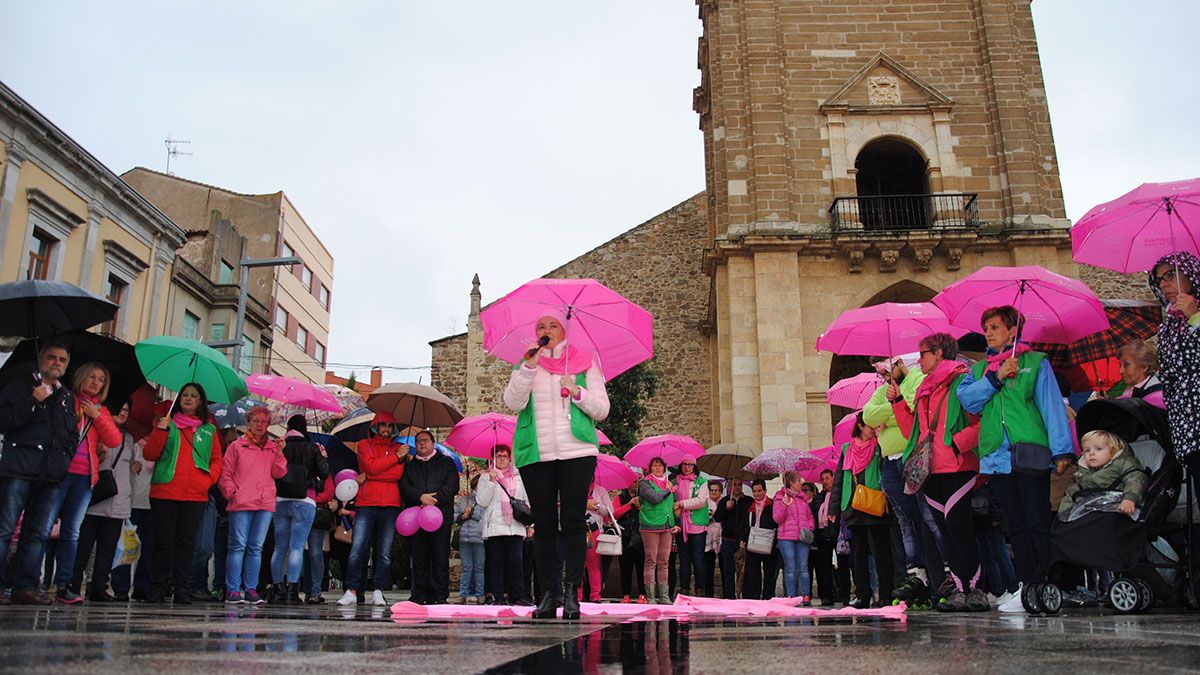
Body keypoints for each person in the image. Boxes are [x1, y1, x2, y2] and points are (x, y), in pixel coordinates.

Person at [957, 305, 1074, 613]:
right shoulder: (980, 370)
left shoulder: (1035, 363)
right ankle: (1026, 584)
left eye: (994, 327)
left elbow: (1051, 406)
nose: (988, 333)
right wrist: (996, 377)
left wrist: (1062, 450)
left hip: (1030, 450)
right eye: (986, 328)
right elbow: (967, 399)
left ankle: (1043, 581)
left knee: (1037, 519)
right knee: (1016, 524)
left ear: (1012, 330)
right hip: (997, 456)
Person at [503, 311, 610, 620]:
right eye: (540, 326)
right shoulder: (527, 363)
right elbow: (513, 402)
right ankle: (548, 594)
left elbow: (602, 409)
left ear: (564, 331)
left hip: (577, 451)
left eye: (552, 325)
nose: (545, 330)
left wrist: (577, 391)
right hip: (536, 453)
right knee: (545, 525)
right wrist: (527, 370)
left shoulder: (585, 361)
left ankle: (572, 593)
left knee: (575, 521)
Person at [891, 332, 987, 612]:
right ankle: (960, 588)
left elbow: (981, 421)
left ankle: (976, 587)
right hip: (931, 471)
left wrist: (958, 444)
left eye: (923, 353)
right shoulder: (923, 390)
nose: (918, 359)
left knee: (958, 525)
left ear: (940, 353)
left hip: (958, 467)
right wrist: (897, 403)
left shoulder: (962, 380)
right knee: (944, 532)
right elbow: (915, 434)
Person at [38, 362, 123, 604]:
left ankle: (65, 584)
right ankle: (34, 580)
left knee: (71, 532)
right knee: (43, 528)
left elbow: (114, 439)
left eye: (101, 380)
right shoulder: (64, 399)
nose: (96, 383)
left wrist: (97, 417)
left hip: (85, 476)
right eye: (92, 377)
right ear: (81, 377)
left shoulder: (100, 410)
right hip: (60, 473)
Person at [142, 382, 224, 604]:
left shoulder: (209, 430)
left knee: (186, 543)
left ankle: (181, 587)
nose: (188, 398)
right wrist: (160, 431)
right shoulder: (166, 423)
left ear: (200, 402)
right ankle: (158, 586)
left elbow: (217, 459)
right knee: (162, 541)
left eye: (193, 396)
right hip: (164, 491)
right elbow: (149, 453)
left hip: (195, 494)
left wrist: (208, 480)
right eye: (185, 395)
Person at [864, 354, 926, 597]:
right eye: (881, 375)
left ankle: (937, 571)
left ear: (900, 363)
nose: (884, 378)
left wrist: (890, 410)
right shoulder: (883, 390)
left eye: (887, 373)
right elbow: (868, 416)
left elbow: (911, 409)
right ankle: (916, 573)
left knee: (924, 516)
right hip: (890, 461)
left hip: (912, 456)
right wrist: (892, 409)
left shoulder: (917, 379)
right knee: (904, 521)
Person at [218, 406, 285, 605]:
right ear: (249, 422)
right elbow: (225, 473)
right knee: (238, 546)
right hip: (242, 501)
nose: (259, 425)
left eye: (264, 421)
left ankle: (251, 589)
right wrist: (232, 492)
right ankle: (232, 589)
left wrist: (280, 454)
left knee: (256, 547)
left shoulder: (272, 447)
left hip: (264, 502)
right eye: (256, 420)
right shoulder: (237, 446)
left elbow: (279, 473)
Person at [338, 412, 405, 607]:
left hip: (390, 504)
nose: (386, 429)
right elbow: (371, 466)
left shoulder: (399, 448)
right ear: (375, 426)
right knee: (358, 548)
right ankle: (352, 589)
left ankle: (378, 590)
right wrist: (394, 459)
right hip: (366, 503)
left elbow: (396, 474)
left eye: (389, 426)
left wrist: (373, 472)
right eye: (382, 425)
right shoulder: (364, 446)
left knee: (384, 551)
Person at [69, 400, 134, 602]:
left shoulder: (129, 438)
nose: (123, 413)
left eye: (126, 410)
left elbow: (132, 465)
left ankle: (99, 586)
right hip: (96, 496)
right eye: (120, 409)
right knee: (84, 545)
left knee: (107, 548)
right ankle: (73, 583)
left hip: (118, 497)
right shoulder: (95, 431)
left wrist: (138, 465)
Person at [828, 414, 894, 608]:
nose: (873, 429)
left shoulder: (880, 445)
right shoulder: (847, 449)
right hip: (854, 506)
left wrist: (883, 439)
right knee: (858, 554)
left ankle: (886, 594)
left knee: (882, 551)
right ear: (860, 426)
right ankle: (863, 595)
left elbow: (886, 469)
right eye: (869, 426)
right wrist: (834, 507)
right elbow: (839, 479)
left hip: (875, 504)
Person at [270, 414, 329, 604]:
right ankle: (293, 591)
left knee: (279, 548)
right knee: (296, 547)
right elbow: (325, 473)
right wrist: (323, 456)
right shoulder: (312, 447)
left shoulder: (279, 446)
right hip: (306, 500)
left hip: (280, 500)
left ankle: (278, 588)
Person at [400, 429, 459, 605]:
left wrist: (434, 499)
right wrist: (420, 496)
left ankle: (440, 595)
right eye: (418, 441)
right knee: (419, 557)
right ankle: (420, 593)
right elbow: (404, 486)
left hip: (440, 517)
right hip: (416, 518)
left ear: (433, 443)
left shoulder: (446, 462)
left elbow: (452, 486)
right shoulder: (409, 466)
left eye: (426, 440)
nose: (422, 444)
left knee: (440, 557)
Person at [476, 445, 532, 606]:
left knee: (516, 561)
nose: (502, 459)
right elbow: (482, 501)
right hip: (495, 526)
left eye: (505, 456)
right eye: (498, 456)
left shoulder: (518, 477)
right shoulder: (486, 477)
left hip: (515, 525)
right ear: (493, 459)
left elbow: (527, 502)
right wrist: (492, 482)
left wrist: (531, 524)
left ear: (509, 458)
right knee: (497, 562)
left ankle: (517, 595)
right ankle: (498, 596)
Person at [1058, 430, 1148, 521]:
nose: (1091, 453)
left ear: (1113, 451)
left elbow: (1135, 479)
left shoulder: (1123, 464)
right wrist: (1064, 515)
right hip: (1089, 512)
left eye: (1098, 449)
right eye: (1087, 450)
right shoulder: (1083, 473)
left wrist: (1130, 498)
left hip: (1117, 509)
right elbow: (1071, 493)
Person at [111, 423, 156, 602]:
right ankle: (120, 588)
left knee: (148, 549)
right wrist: (132, 465)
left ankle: (142, 588)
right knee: (126, 546)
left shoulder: (163, 446)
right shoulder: (134, 444)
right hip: (131, 503)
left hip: (152, 503)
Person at [638, 457, 677, 605]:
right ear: (650, 468)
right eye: (655, 465)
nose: (657, 468)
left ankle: (664, 596)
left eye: (660, 466)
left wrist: (676, 523)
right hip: (650, 526)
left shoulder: (669, 483)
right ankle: (651, 596)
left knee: (664, 562)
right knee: (650, 561)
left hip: (666, 526)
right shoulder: (644, 483)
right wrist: (667, 489)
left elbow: (673, 505)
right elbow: (654, 498)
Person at [771, 471, 814, 604]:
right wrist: (784, 504)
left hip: (802, 538)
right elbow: (777, 519)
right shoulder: (779, 497)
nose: (801, 482)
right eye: (797, 480)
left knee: (803, 568)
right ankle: (791, 597)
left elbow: (810, 516)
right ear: (790, 482)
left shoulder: (802, 499)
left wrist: (809, 527)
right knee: (790, 568)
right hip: (786, 538)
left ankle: (806, 596)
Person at [671, 455, 709, 597]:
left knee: (698, 558)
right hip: (681, 524)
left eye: (690, 464)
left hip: (697, 526)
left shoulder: (702, 482)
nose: (687, 467)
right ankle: (684, 590)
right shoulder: (675, 482)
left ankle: (700, 590)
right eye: (684, 464)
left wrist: (681, 504)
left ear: (695, 466)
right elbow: (671, 500)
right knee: (684, 559)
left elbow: (700, 502)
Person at [714, 479, 752, 599]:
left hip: (743, 540)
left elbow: (749, 521)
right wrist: (726, 508)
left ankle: (745, 596)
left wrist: (744, 539)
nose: (736, 487)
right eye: (734, 484)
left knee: (744, 571)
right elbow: (717, 518)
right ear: (729, 486)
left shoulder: (748, 501)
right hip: (728, 539)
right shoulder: (725, 500)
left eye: (739, 484)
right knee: (728, 570)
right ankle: (729, 596)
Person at [740, 479, 777, 600]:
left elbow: (777, 521)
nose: (757, 494)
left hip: (769, 541)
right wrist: (743, 539)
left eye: (759, 491)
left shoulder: (773, 504)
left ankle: (768, 597)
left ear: (765, 491)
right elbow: (744, 524)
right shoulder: (749, 506)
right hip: (753, 541)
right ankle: (755, 597)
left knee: (770, 571)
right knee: (753, 571)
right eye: (754, 491)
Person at [454, 475, 486, 604]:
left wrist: (471, 513)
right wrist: (463, 515)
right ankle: (463, 594)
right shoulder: (464, 499)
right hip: (464, 537)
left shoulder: (485, 500)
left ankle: (480, 594)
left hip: (479, 536)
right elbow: (455, 515)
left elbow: (483, 516)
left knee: (479, 567)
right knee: (466, 567)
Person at [612, 487, 645, 603]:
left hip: (641, 535)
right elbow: (615, 514)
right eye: (635, 481)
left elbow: (649, 514)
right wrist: (630, 504)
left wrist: (639, 507)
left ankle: (643, 594)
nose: (637, 483)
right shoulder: (619, 498)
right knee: (625, 567)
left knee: (641, 567)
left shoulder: (644, 497)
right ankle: (626, 594)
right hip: (626, 535)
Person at [584, 479, 614, 602]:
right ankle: (576, 595)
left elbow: (609, 511)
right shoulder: (575, 486)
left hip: (594, 530)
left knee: (594, 564)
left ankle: (595, 595)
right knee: (577, 565)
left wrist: (596, 506)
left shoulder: (601, 490)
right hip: (577, 529)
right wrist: (586, 504)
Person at [1114, 340, 1164, 407]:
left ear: (1144, 366)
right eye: (1120, 365)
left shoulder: (1156, 398)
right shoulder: (1132, 391)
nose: (1121, 371)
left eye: (1126, 365)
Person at [703, 481, 722, 598]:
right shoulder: (705, 503)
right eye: (712, 490)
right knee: (708, 569)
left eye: (717, 490)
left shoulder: (725, 502)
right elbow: (705, 518)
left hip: (721, 537)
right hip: (708, 537)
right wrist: (711, 515)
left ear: (721, 492)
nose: (714, 492)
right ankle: (708, 595)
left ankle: (726, 595)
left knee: (724, 567)